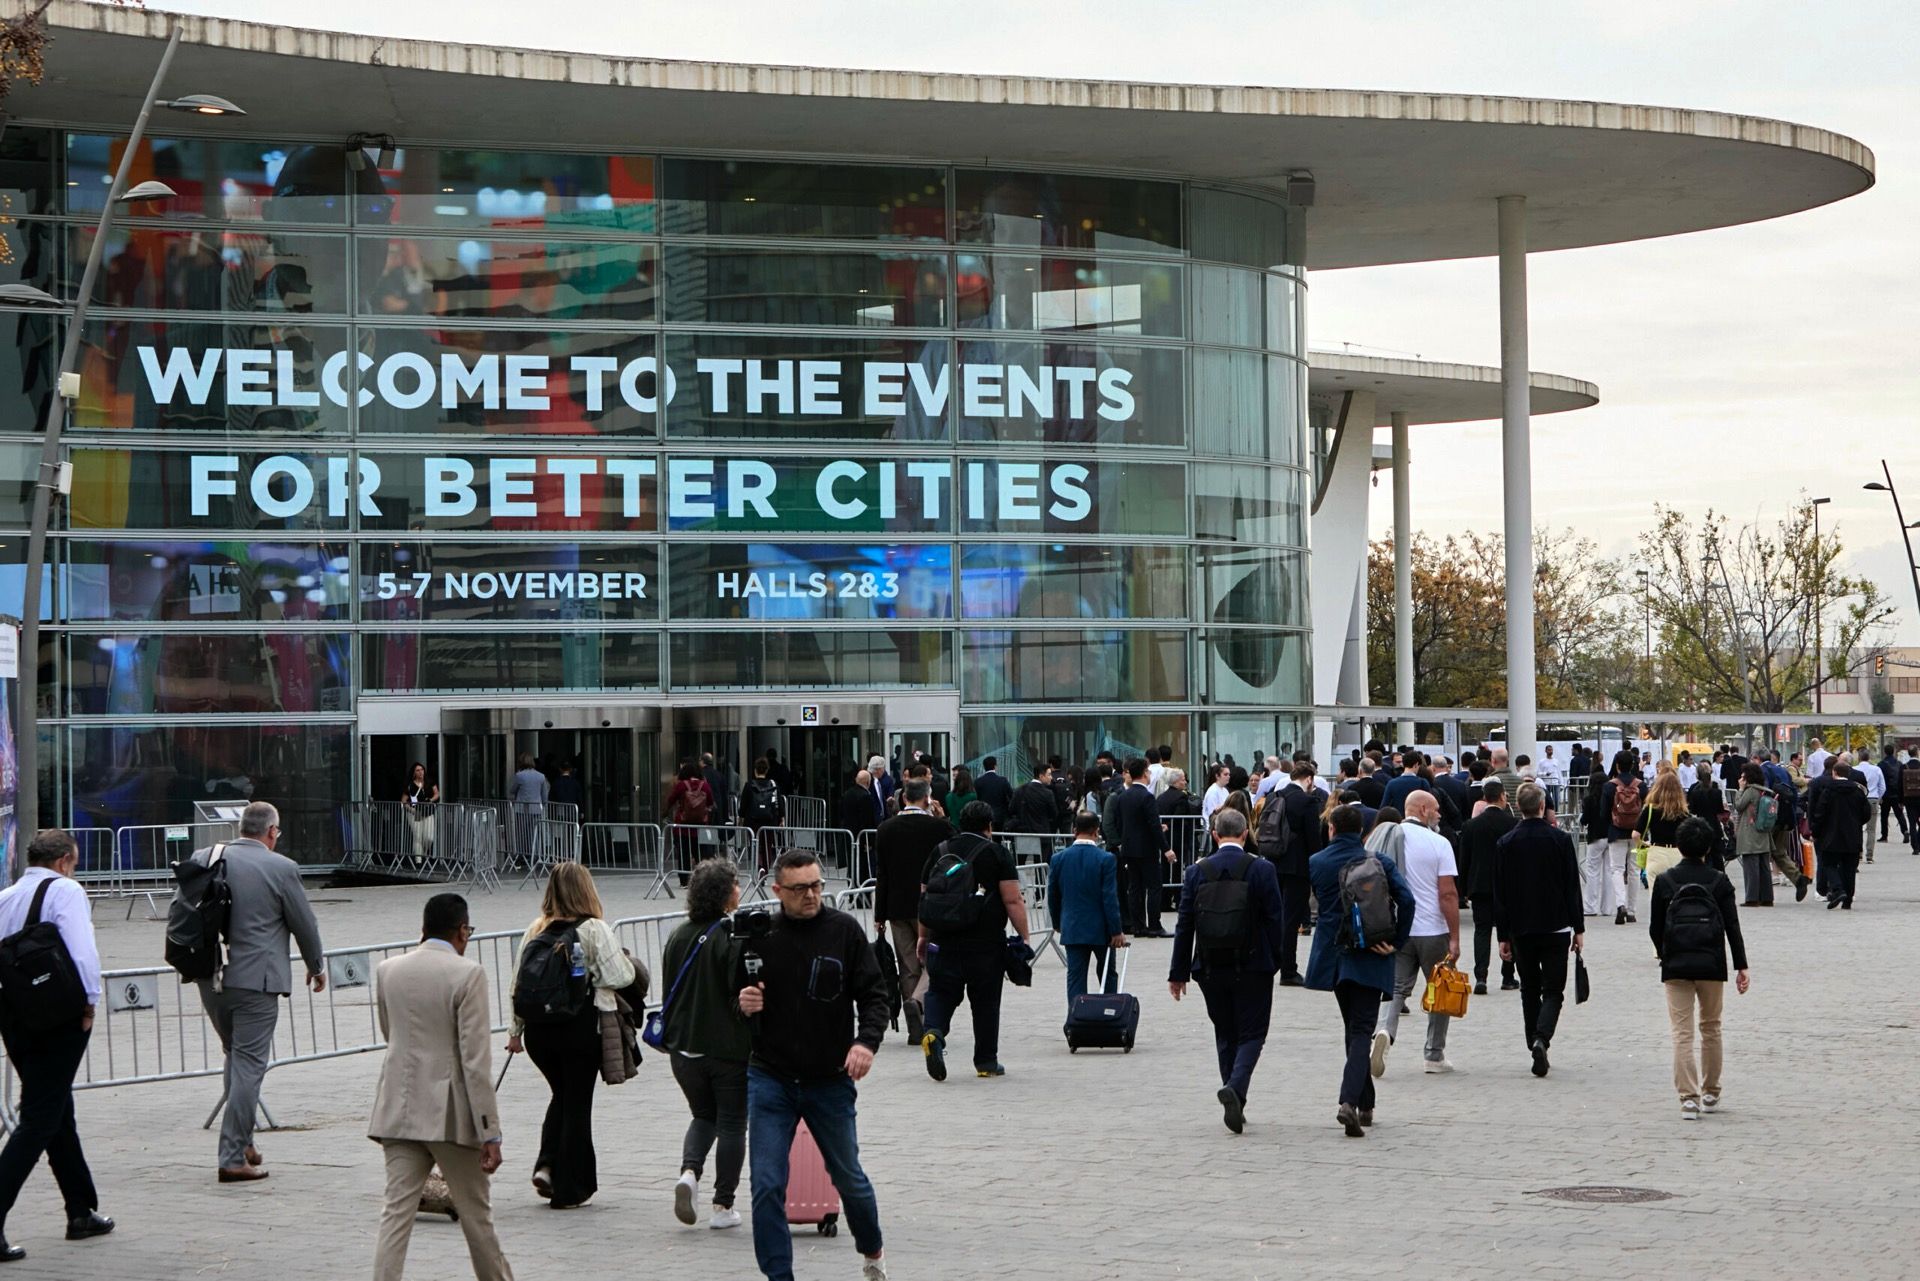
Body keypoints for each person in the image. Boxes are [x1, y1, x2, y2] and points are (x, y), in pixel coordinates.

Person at [736, 850, 890, 1281]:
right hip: (771, 1076)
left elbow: (875, 996)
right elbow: (736, 1001)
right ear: (777, 890)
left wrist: (865, 1043)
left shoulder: (843, 931)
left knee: (849, 1179)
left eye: (817, 885)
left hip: (829, 1079)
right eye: (800, 888)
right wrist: (743, 1004)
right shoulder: (760, 936)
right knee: (766, 1183)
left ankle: (872, 1252)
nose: (811, 895)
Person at [369, 893, 512, 1281]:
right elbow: (475, 1061)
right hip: (449, 1114)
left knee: (395, 1213)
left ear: (423, 929)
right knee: (476, 1216)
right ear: (462, 931)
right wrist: (490, 1131)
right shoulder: (468, 974)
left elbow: (391, 1034)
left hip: (398, 1106)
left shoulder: (388, 970)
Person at [192, 801, 325, 1182]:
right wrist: (316, 966)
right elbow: (304, 924)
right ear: (271, 832)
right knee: (250, 1065)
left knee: (236, 1056)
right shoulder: (281, 868)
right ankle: (232, 1157)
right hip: (256, 981)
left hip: (209, 977)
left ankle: (245, 1140)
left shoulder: (206, 858)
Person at [0, 831, 111, 1262]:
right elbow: (82, 952)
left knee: (56, 1110)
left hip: (16, 1015)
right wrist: (90, 1002)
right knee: (40, 1117)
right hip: (59, 1015)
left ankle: (80, 1209)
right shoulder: (65, 891)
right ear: (65, 860)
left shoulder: (7, 896)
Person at [505, 863, 635, 1209]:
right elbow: (620, 976)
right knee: (577, 1103)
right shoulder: (593, 928)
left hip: (539, 1033)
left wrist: (515, 1031)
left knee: (562, 1095)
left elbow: (518, 984)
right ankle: (570, 1188)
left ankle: (547, 1165)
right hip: (579, 1027)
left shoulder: (536, 928)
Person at [1168, 808, 1287, 1133]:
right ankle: (1235, 1088)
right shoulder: (1262, 869)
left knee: (1225, 1031)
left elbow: (1184, 924)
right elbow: (1275, 919)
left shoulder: (1196, 872)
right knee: (1253, 1033)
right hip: (1253, 964)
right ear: (1246, 834)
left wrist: (1178, 972)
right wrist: (1275, 961)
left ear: (1215, 835)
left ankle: (1233, 1094)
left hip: (1209, 966)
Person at [1305, 805, 1416, 1138]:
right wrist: (1396, 941)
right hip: (1372, 953)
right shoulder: (1378, 862)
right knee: (1361, 1030)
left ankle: (1365, 1104)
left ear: (1332, 829)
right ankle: (1349, 1102)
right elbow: (1407, 900)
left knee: (1353, 1029)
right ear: (1363, 832)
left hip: (1335, 956)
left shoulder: (1317, 862)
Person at [662, 861, 750, 1232]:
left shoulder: (678, 935)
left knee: (703, 1115)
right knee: (732, 1123)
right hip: (726, 1048)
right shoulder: (730, 936)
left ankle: (689, 1173)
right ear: (725, 894)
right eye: (735, 884)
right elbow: (740, 994)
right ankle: (722, 1204)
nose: (739, 889)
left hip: (683, 1048)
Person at [916, 802, 1030, 1080]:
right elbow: (1012, 899)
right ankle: (986, 1062)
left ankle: (933, 1033)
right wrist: (1025, 937)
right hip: (985, 942)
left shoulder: (941, 851)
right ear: (989, 825)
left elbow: (926, 897)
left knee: (940, 992)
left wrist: (922, 936)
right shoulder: (997, 853)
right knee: (985, 1002)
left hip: (943, 938)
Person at [1648, 817, 1751, 1121]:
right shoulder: (1719, 881)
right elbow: (1732, 927)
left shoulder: (1665, 881)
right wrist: (1741, 965)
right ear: (1708, 847)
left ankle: (1688, 1098)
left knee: (1682, 1032)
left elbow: (1655, 927)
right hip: (1711, 962)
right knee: (1711, 1027)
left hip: (1676, 964)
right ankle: (1710, 1091)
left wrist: (1664, 953)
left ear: (1679, 846)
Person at [1489, 783, 1584, 1079]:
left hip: (1521, 927)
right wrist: (1579, 927)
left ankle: (1533, 1040)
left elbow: (1500, 893)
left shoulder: (1506, 842)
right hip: (1556, 925)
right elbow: (1572, 886)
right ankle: (1542, 1037)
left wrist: (1502, 935)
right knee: (1554, 989)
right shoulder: (1560, 839)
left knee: (1529, 988)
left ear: (1518, 807)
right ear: (1542, 806)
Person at [1369, 791, 1462, 1077]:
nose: (1440, 814)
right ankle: (1434, 1054)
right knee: (1440, 987)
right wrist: (1455, 936)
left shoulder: (1387, 838)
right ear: (1423, 810)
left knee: (1395, 987)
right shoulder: (1439, 843)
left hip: (1398, 928)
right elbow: (1447, 893)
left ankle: (1384, 1031)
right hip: (1433, 929)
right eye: (1436, 809)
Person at [871, 779, 951, 1039]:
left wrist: (879, 914)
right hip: (929, 905)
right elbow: (956, 847)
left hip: (896, 906)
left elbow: (882, 873)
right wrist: (943, 817)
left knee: (907, 964)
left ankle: (914, 1026)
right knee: (935, 959)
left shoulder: (885, 828)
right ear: (928, 799)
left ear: (904, 798)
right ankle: (918, 1003)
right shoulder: (937, 827)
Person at [1048, 811, 1126, 1014]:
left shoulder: (1058, 859)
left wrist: (1057, 922)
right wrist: (1116, 930)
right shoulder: (1106, 859)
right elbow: (1109, 898)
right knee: (1107, 973)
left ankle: (1077, 1018)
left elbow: (1053, 895)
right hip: (1101, 929)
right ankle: (1108, 1015)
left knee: (1075, 976)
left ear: (1074, 830)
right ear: (1096, 832)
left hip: (1072, 926)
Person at [1457, 778, 1519, 995]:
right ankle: (1508, 975)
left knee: (1481, 930)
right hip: (1508, 886)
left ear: (1484, 798)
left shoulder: (1471, 826)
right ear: (1502, 796)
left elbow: (1464, 860)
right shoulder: (1512, 824)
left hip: (1480, 886)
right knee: (1508, 930)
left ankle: (1481, 976)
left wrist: (1463, 889)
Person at [1111, 756, 1173, 937]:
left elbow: (1120, 822)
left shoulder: (1123, 796)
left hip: (1129, 848)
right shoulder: (1147, 796)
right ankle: (1154, 925)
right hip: (1147, 849)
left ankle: (1138, 926)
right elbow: (1153, 825)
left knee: (1135, 887)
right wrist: (1166, 848)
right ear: (1145, 773)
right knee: (1154, 887)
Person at [1808, 760, 1870, 909]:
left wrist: (1815, 831)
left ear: (1834, 773)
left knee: (1829, 863)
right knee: (1849, 868)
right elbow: (1866, 813)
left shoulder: (1828, 791)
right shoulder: (1858, 791)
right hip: (1852, 836)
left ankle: (1837, 888)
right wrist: (1856, 823)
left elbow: (1820, 814)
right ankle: (1848, 900)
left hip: (1831, 836)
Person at [1602, 757, 1646, 925]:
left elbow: (1603, 813)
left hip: (1616, 832)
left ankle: (1621, 905)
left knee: (1617, 869)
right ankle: (1632, 910)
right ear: (1633, 765)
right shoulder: (1641, 786)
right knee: (1634, 870)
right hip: (1637, 833)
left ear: (1617, 766)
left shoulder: (1609, 786)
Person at [1730, 763, 1779, 906]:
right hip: (1763, 832)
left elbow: (1739, 805)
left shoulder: (1750, 791)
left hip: (1750, 832)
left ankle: (1752, 898)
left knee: (1751, 867)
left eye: (1743, 776)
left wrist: (1740, 789)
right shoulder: (1764, 790)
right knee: (1764, 867)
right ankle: (1767, 898)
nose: (1741, 779)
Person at [1008, 761, 1068, 834]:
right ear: (1041, 776)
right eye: (1049, 775)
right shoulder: (1047, 793)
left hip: (1022, 832)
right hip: (1042, 833)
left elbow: (1011, 809)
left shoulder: (1020, 790)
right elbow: (1054, 814)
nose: (1051, 778)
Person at [510, 752, 549, 860]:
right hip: (536, 809)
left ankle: (522, 854)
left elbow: (512, 790)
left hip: (521, 809)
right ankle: (534, 855)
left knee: (521, 833)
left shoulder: (519, 775)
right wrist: (543, 805)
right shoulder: (541, 776)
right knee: (534, 833)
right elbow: (544, 795)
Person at [1852, 750, 1886, 864]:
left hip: (1857, 800)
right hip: (1872, 799)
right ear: (1869, 757)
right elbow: (1883, 787)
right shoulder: (1876, 769)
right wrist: (1878, 798)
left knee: (1857, 828)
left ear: (1859, 758)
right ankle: (1869, 856)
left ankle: (1859, 854)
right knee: (1871, 830)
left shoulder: (1854, 769)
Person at [738, 757, 786, 834]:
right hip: (770, 823)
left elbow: (743, 804)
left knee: (753, 839)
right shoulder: (773, 785)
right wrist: (782, 818)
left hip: (752, 823)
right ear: (767, 770)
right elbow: (780, 803)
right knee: (768, 840)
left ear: (755, 770)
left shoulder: (749, 785)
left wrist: (741, 819)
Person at [973, 756, 1014, 828]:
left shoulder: (978, 782)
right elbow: (1011, 796)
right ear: (995, 766)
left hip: (983, 815)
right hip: (1000, 816)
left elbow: (976, 798)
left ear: (984, 767)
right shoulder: (1002, 781)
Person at [1880, 746, 1908, 844]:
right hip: (1897, 794)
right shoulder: (1899, 764)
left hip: (1886, 794)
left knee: (1884, 815)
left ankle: (1884, 836)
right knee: (1899, 814)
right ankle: (1905, 830)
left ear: (1885, 752)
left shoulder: (1881, 764)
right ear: (1894, 752)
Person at [839, 769, 880, 836]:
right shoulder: (866, 797)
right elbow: (868, 820)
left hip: (847, 834)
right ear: (868, 782)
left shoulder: (846, 794)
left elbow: (841, 814)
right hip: (861, 835)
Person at [945, 766, 978, 832]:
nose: (953, 778)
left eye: (955, 775)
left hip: (952, 828)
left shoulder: (948, 796)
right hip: (968, 829)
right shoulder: (973, 796)